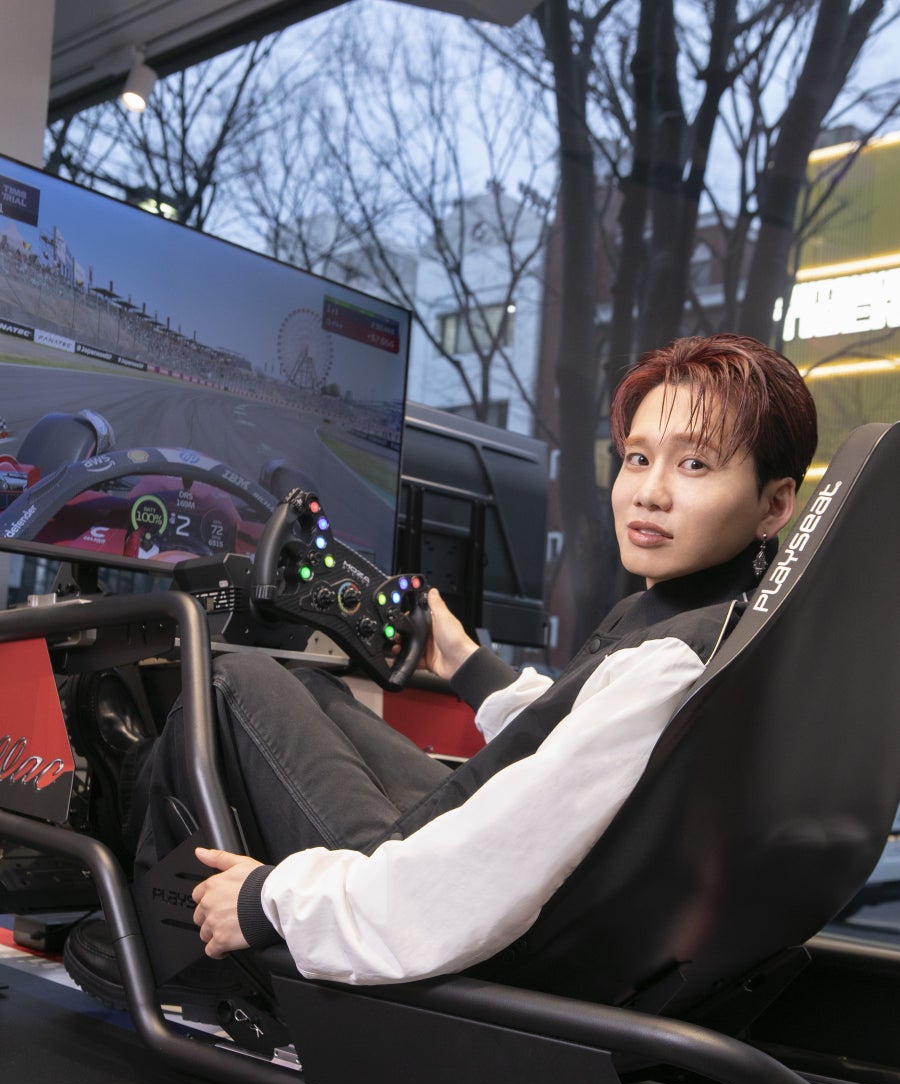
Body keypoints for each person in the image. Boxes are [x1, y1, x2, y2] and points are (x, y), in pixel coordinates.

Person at [63, 333, 817, 1001]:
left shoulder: (669, 663)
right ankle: (146, 777)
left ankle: (164, 927)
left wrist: (271, 902)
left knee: (235, 682)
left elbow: (483, 875)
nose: (649, 492)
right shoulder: (711, 621)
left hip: (472, 933)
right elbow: (578, 755)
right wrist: (464, 663)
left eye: (694, 464)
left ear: (775, 504)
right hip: (545, 910)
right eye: (639, 459)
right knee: (308, 686)